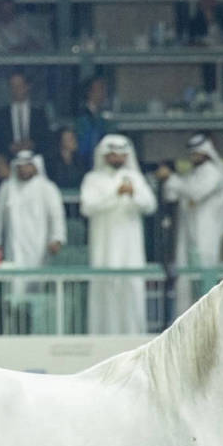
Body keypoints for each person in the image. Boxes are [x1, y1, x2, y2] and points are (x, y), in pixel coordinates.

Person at [80, 134, 156, 335]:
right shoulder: (92, 179)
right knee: (105, 290)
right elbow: (87, 207)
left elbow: (150, 205)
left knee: (131, 290)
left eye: (121, 155)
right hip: (103, 250)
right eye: (112, 155)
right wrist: (116, 194)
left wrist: (132, 193)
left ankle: (133, 336)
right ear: (105, 156)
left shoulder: (136, 179)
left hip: (130, 252)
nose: (117, 159)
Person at [158, 133, 223, 312]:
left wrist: (171, 179)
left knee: (205, 276)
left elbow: (196, 192)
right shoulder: (192, 173)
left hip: (207, 232)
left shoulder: (213, 173)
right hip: (189, 233)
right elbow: (174, 194)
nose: (193, 157)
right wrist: (170, 181)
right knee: (188, 278)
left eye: (196, 153)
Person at [0, 150, 65, 269]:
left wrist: (57, 238)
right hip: (14, 246)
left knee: (39, 281)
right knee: (14, 282)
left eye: (27, 166)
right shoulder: (6, 188)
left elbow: (56, 216)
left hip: (40, 246)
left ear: (35, 166)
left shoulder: (48, 188)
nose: (24, 170)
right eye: (20, 167)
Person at [0, 70, 53, 158]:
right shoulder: (1, 115)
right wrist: (9, 147)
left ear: (27, 86)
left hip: (35, 162)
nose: (16, 90)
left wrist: (33, 144)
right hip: (8, 163)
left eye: (20, 86)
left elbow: (47, 140)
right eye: (13, 86)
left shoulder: (39, 114)